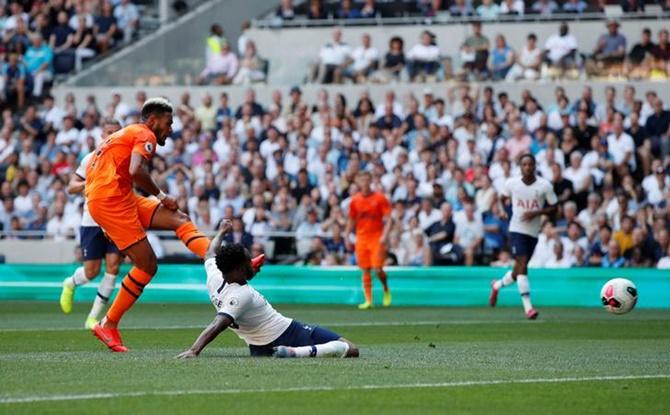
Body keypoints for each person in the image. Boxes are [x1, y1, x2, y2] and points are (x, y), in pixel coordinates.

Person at [87, 98, 226, 352]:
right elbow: (136, 171)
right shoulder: (144, 133)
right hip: (112, 201)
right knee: (147, 265)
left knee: (179, 219)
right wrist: (161, 196)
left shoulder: (127, 132)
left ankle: (223, 260)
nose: (171, 128)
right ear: (153, 120)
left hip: (116, 197)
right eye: (168, 122)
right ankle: (108, 324)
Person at [176, 222, 358, 359]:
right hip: (288, 333)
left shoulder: (215, 274)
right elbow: (218, 324)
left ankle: (289, 353)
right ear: (239, 270)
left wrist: (222, 232)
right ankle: (296, 352)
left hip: (258, 347)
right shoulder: (241, 294)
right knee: (350, 348)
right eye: (249, 262)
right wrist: (194, 350)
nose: (253, 264)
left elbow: (210, 252)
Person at [59, 118, 123, 329]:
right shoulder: (89, 160)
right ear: (102, 135)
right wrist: (92, 182)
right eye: (108, 132)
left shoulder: (125, 160)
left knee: (113, 267)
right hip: (92, 221)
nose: (111, 136)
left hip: (115, 221)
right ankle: (70, 282)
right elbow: (71, 187)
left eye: (115, 132)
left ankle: (92, 318)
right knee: (91, 272)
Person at [489, 154, 558, 319]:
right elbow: (501, 197)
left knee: (519, 267)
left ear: (534, 166)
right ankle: (529, 308)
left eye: (530, 164)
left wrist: (537, 212)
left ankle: (497, 285)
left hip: (533, 232)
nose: (527, 167)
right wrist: (502, 210)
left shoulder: (544, 185)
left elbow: (554, 207)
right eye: (524, 165)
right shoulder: (512, 183)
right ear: (520, 167)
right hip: (516, 229)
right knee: (522, 265)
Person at [345, 171, 392, 310]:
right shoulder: (355, 200)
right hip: (361, 238)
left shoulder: (380, 198)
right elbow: (352, 219)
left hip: (376, 237)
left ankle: (385, 289)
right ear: (358, 182)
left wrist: (385, 235)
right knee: (365, 269)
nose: (365, 182)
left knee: (378, 268)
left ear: (371, 181)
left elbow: (389, 218)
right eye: (362, 180)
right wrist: (347, 235)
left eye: (367, 179)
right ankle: (368, 300)